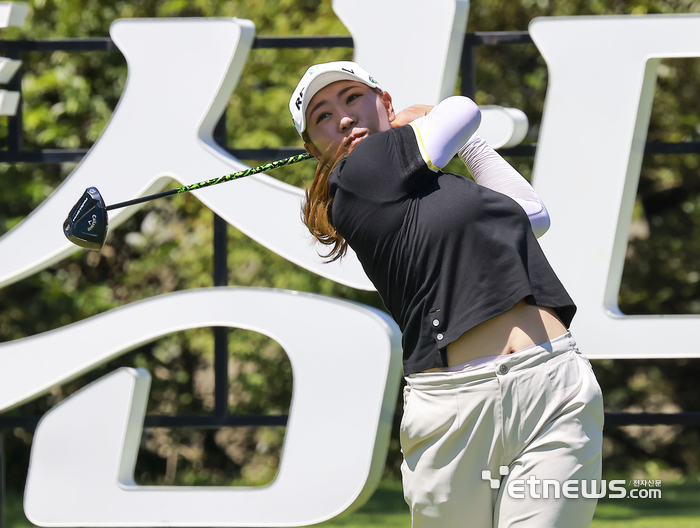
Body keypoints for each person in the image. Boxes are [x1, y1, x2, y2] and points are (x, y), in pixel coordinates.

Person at [289, 61, 604, 528]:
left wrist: (472, 147)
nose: (344, 117)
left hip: (551, 382)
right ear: (316, 150)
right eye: (323, 116)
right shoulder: (356, 176)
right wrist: (428, 118)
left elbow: (531, 215)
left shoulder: (439, 186)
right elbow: (461, 111)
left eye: (352, 97)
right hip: (455, 409)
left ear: (385, 103)